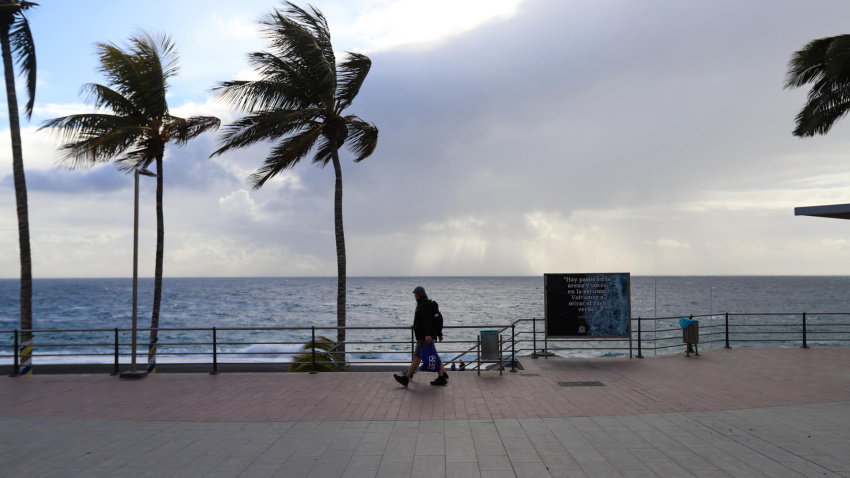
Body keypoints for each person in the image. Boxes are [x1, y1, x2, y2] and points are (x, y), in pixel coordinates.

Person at [394, 286, 449, 386]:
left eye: (415, 294)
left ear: (418, 295)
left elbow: (427, 321)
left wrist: (428, 334)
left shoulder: (424, 305)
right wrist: (438, 334)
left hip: (424, 337)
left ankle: (406, 378)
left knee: (417, 358)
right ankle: (442, 375)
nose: (414, 296)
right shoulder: (424, 304)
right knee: (433, 356)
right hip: (424, 336)